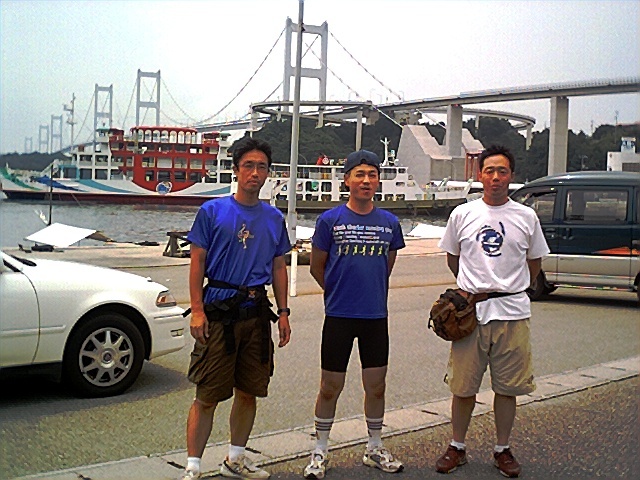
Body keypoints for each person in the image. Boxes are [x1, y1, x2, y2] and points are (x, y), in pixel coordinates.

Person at [180, 137, 292, 480]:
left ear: (268, 173)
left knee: (249, 390)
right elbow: (197, 262)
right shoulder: (212, 211)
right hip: (219, 311)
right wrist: (197, 310)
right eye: (248, 166)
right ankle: (193, 467)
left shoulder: (273, 218)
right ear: (236, 170)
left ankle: (235, 459)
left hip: (256, 313)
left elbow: (278, 267)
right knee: (207, 394)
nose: (255, 173)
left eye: (262, 167)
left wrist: (283, 312)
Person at [434, 145, 550, 478]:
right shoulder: (463, 214)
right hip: (470, 314)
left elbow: (534, 262)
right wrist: (474, 290)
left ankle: (503, 448)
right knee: (463, 386)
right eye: (489, 171)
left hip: (512, 312)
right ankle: (457, 445)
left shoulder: (526, 217)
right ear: (480, 175)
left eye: (502, 171)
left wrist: (509, 287)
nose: (495, 177)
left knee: (508, 387)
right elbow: (453, 259)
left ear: (511, 176)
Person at [303, 149, 406, 479]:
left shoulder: (390, 223)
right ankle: (320, 450)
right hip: (339, 315)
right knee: (329, 386)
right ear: (346, 179)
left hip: (375, 316)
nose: (366, 180)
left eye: (372, 174)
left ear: (378, 181)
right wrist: (337, 291)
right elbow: (317, 267)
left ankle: (374, 446)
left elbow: (386, 266)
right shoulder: (329, 220)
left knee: (376, 386)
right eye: (359, 174)